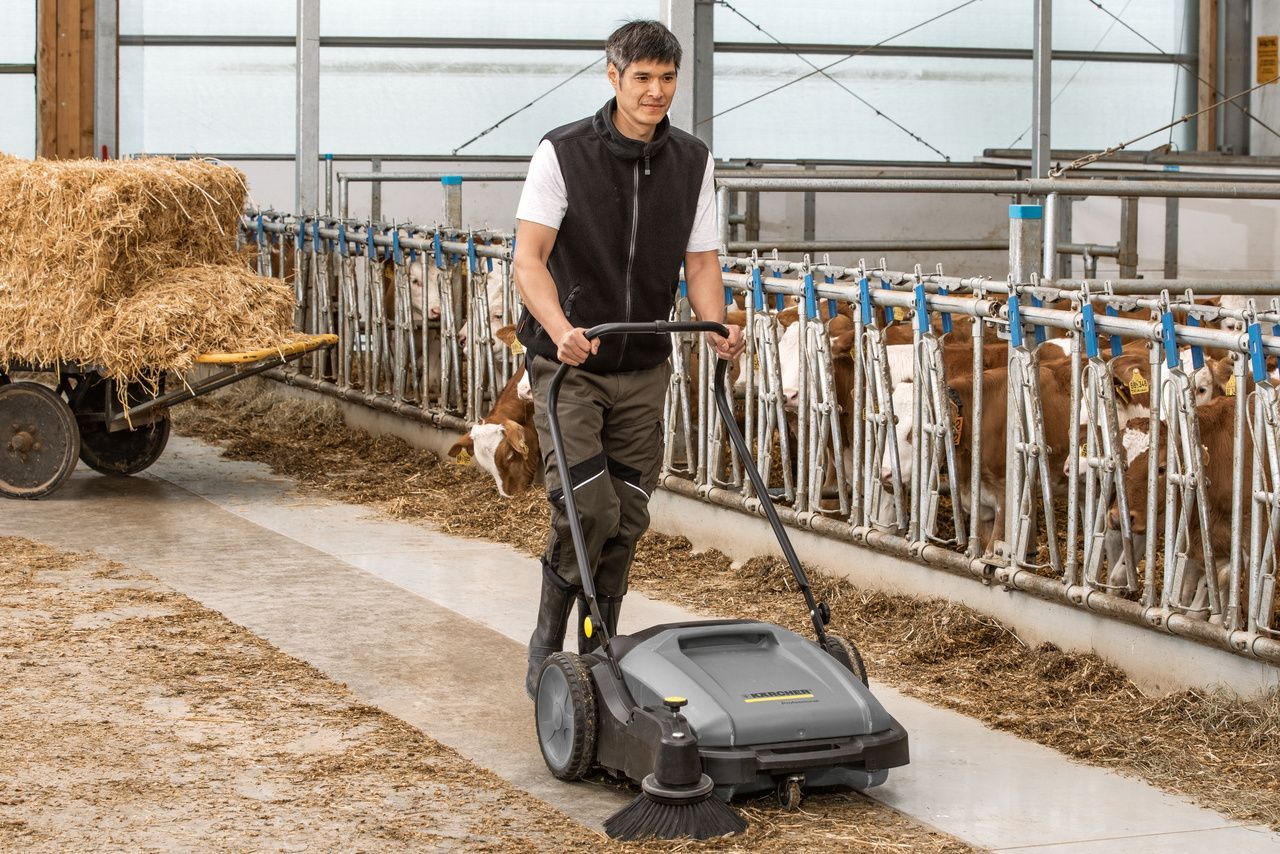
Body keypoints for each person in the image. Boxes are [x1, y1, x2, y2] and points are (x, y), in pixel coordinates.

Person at [512, 19, 744, 699]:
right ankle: (547, 637)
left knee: (629, 513)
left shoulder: (692, 161)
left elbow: (700, 260)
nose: (656, 91)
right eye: (641, 78)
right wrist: (558, 329)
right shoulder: (562, 153)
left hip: (644, 361)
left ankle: (599, 648)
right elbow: (528, 261)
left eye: (667, 78)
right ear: (613, 77)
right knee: (588, 509)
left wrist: (715, 323)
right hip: (572, 364)